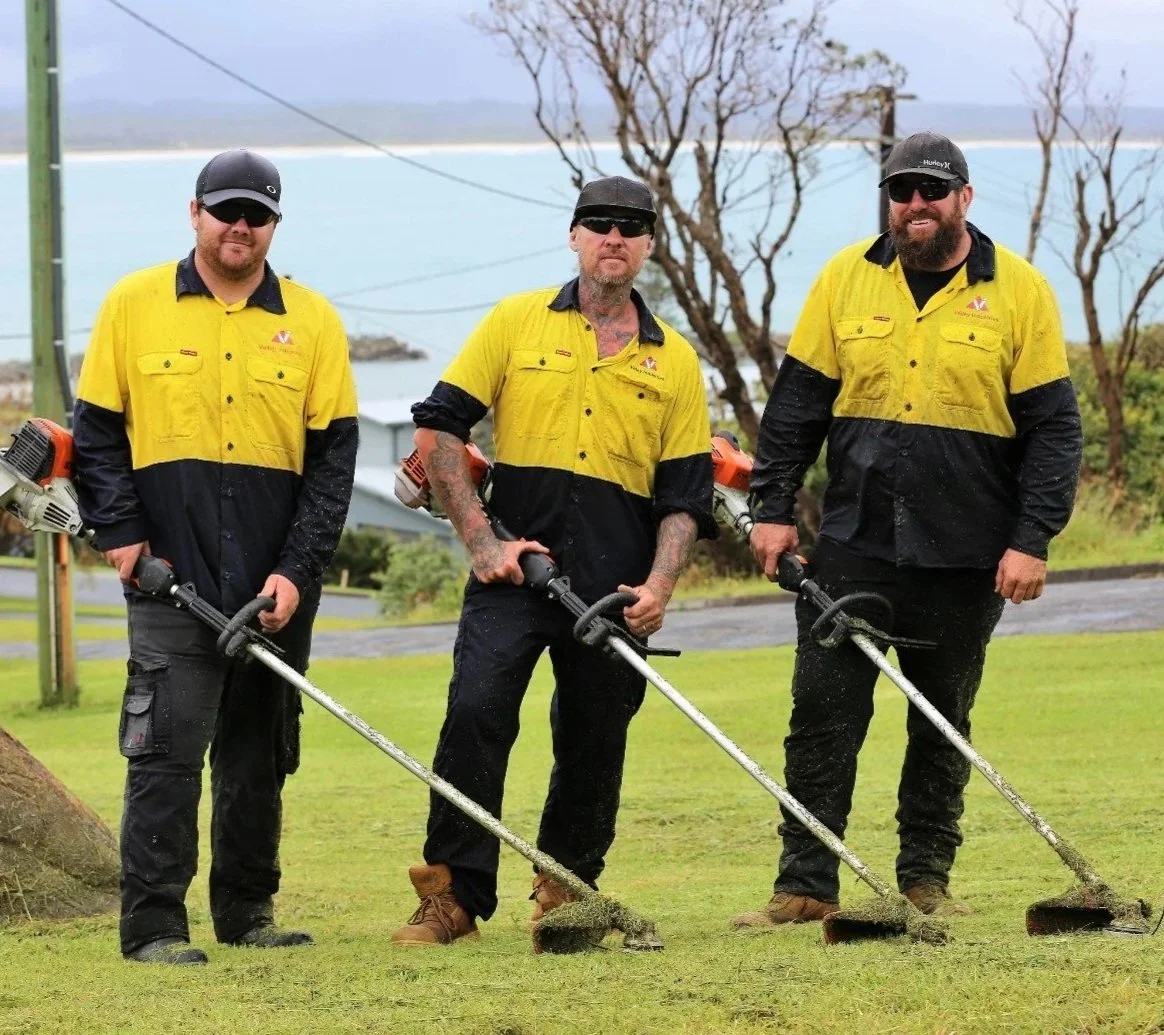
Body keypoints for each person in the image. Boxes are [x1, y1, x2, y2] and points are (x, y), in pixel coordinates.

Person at [735, 132, 1083, 927]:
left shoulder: (1021, 292)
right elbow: (796, 409)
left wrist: (1032, 539)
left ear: (965, 197)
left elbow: (1054, 433)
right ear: (887, 201)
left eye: (931, 189)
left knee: (940, 723)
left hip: (967, 553)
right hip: (853, 544)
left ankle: (925, 879)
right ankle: (803, 884)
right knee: (821, 716)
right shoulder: (843, 281)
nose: (914, 204)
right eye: (901, 190)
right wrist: (772, 509)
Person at [391, 175, 715, 947]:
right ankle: (451, 898)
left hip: (616, 588)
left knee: (595, 738)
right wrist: (481, 541)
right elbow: (438, 428)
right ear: (574, 236)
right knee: (474, 715)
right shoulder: (514, 322)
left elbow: (683, 497)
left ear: (648, 246)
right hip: (513, 571)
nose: (615, 237)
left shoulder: (675, 363)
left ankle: (566, 891)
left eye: (632, 227)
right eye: (599, 224)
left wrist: (661, 585)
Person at [73, 149, 359, 965]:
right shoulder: (132, 304)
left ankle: (247, 910)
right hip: (169, 575)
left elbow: (334, 458)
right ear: (193, 212)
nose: (240, 226)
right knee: (164, 750)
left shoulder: (312, 320)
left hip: (273, 583)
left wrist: (297, 573)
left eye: (257, 213)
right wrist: (122, 537)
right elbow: (95, 435)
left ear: (274, 224)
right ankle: (155, 926)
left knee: (259, 749)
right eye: (225, 210)